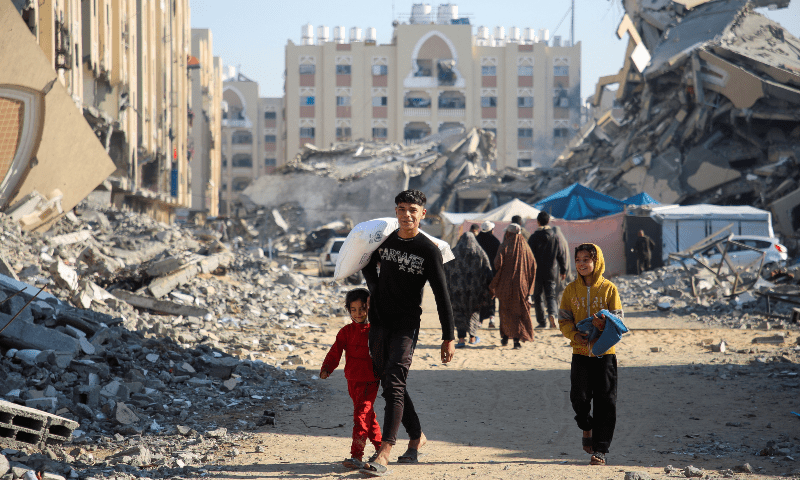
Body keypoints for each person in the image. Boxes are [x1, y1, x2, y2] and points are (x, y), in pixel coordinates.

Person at [360, 189, 455, 477]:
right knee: (391, 383)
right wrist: (375, 290)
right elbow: (366, 263)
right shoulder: (385, 240)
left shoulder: (428, 250)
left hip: (405, 324)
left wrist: (448, 336)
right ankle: (416, 437)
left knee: (394, 381)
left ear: (423, 214)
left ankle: (385, 451)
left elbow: (442, 295)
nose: (407, 215)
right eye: (401, 209)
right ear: (396, 211)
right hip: (379, 322)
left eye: (413, 210)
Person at [558, 243, 623, 466]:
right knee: (579, 398)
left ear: (597, 262)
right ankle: (587, 427)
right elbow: (564, 320)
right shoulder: (570, 290)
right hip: (580, 353)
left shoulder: (609, 289)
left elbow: (619, 321)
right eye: (578, 260)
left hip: (604, 354)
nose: (581, 264)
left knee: (606, 401)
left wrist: (603, 326)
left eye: (586, 259)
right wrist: (574, 335)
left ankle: (601, 450)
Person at [320, 288, 382, 470]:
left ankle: (357, 455)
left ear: (369, 308)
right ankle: (380, 448)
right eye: (353, 310)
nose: (358, 313)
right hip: (352, 380)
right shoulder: (346, 331)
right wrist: (327, 368)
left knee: (360, 416)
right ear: (348, 310)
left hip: (370, 380)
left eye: (362, 309)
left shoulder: (375, 331)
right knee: (367, 415)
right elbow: (335, 351)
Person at [489, 223, 536, 349]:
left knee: (505, 312)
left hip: (505, 285)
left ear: (508, 233)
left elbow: (497, 263)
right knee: (518, 313)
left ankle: (505, 337)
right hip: (522, 286)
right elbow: (533, 266)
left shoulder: (504, 245)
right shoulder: (526, 247)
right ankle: (516, 341)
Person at [444, 232, 493, 348]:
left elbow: (444, 269)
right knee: (474, 313)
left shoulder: (453, 252)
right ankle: (472, 337)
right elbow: (488, 269)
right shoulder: (479, 251)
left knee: (458, 313)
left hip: (457, 290)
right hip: (475, 290)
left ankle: (461, 339)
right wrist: (489, 286)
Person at [528, 211, 568, 329]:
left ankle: (542, 322)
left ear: (538, 222)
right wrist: (563, 270)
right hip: (551, 271)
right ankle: (552, 315)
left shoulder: (533, 237)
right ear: (548, 221)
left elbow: (529, 256)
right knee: (551, 295)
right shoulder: (555, 237)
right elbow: (560, 254)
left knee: (538, 296)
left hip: (537, 272)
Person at [476, 221, 501, 328]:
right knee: (491, 296)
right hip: (492, 274)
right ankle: (491, 319)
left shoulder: (476, 241)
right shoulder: (495, 242)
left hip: (479, 274)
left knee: (480, 297)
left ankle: (479, 321)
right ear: (491, 230)